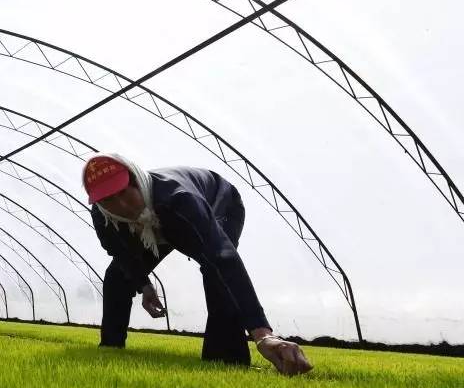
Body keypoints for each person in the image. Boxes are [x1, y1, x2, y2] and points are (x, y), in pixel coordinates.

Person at [83, 153, 312, 376]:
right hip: (155, 224)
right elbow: (121, 253)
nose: (121, 205)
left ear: (136, 181)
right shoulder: (104, 215)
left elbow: (222, 259)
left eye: (124, 192)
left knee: (216, 275)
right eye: (108, 199)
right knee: (117, 276)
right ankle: (111, 347)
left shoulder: (179, 200)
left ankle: (225, 360)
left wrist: (262, 334)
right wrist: (145, 286)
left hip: (219, 205)